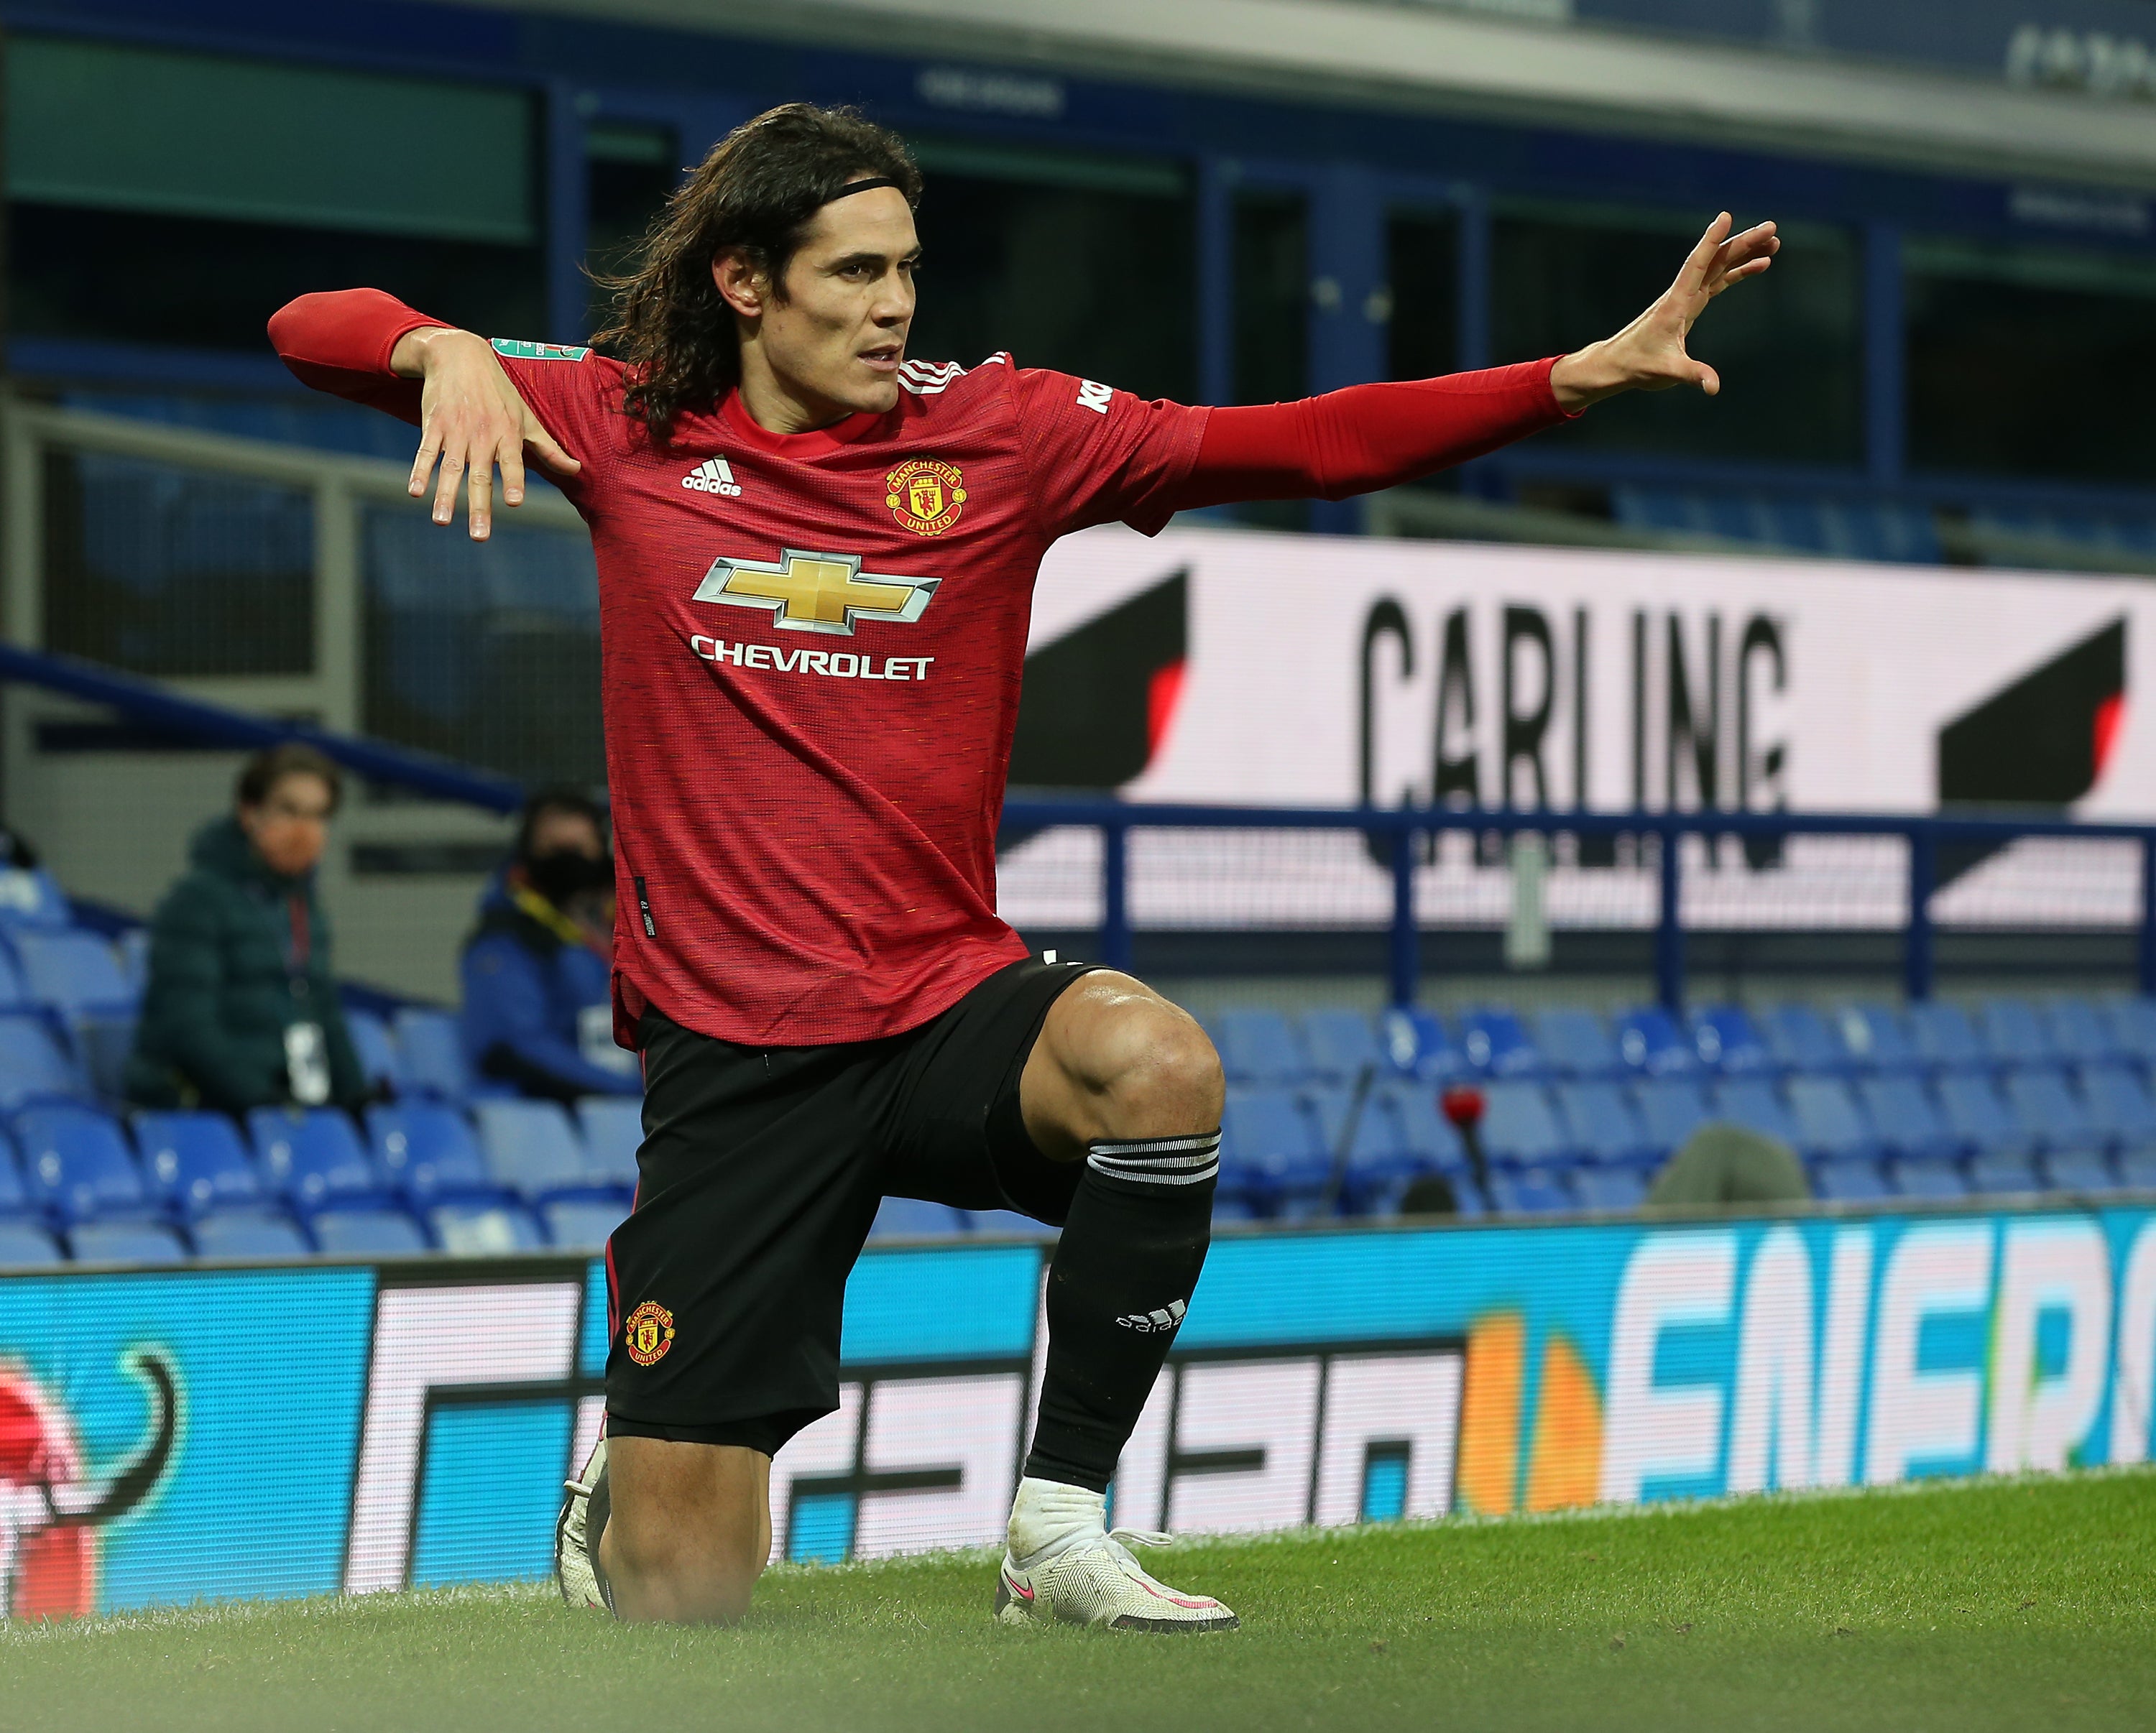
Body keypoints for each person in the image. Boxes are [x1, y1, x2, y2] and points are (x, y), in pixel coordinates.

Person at [267, 102, 1776, 1630]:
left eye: (907, 269)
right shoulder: (622, 419)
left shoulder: (1005, 430)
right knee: (683, 1612)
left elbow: (1302, 443)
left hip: (936, 1006)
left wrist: (1567, 380)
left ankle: (1055, 1524)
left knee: (1158, 1069)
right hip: (734, 1059)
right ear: (744, 284)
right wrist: (441, 349)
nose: (894, 304)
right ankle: (636, 1482)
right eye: (852, 274)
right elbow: (304, 328)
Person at [124, 744, 370, 1117]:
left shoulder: (304, 908)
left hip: (276, 1104)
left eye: (319, 816)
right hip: (200, 1110)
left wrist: (356, 1098)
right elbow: (187, 1027)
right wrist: (261, 1100)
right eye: (289, 811)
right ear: (249, 813)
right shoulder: (197, 901)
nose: (304, 831)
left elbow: (323, 1014)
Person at [461, 788, 640, 1101]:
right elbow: (514, 1045)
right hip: (553, 1116)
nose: (569, 862)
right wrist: (631, 1092)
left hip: (630, 1111)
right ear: (528, 856)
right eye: (555, 850)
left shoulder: (627, 925)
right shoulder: (505, 939)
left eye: (580, 849)